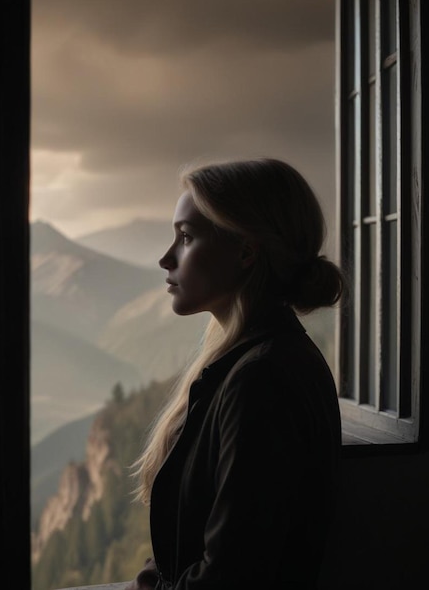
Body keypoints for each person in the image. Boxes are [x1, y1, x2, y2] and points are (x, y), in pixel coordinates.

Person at [125, 157, 346, 590]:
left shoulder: (261, 381)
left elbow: (231, 576)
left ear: (246, 251)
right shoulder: (259, 361)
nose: (165, 258)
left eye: (186, 237)